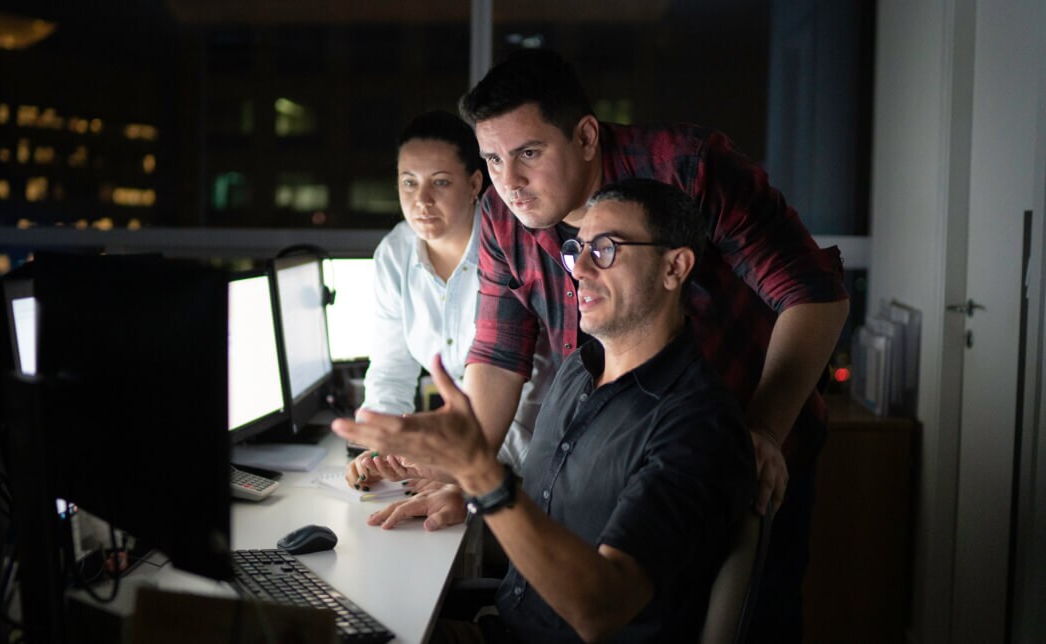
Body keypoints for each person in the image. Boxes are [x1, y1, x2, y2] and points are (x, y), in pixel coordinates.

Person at [449, 48, 848, 642]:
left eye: (529, 153)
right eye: (492, 159)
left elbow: (815, 293)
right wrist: (461, 468)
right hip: (608, 442)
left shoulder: (687, 168)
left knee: (742, 617)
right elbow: (499, 354)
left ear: (586, 136)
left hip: (735, 430)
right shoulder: (503, 217)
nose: (509, 182)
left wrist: (762, 431)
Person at [333, 179, 756, 641]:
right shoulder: (578, 369)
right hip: (503, 622)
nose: (581, 270)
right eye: (579, 250)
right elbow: (556, 519)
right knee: (335, 618)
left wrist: (482, 479)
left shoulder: (698, 425)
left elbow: (600, 608)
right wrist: (475, 503)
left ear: (675, 267)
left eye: (607, 249)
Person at [344, 110, 552, 497]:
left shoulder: (511, 248)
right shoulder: (395, 251)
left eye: (440, 182)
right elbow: (392, 369)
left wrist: (457, 468)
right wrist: (380, 448)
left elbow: (532, 388)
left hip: (531, 454)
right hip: (462, 450)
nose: (421, 200)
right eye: (409, 183)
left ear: (475, 183)